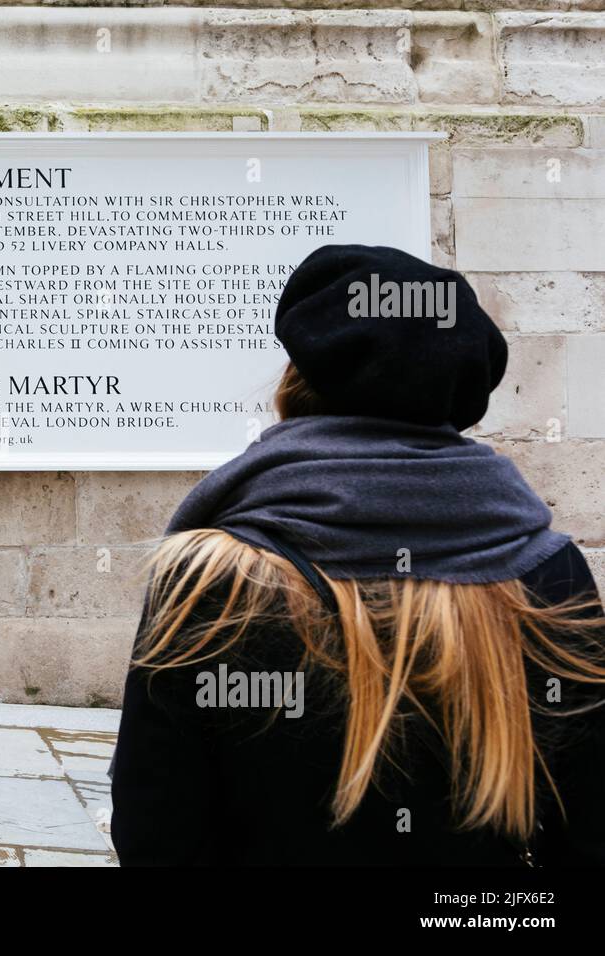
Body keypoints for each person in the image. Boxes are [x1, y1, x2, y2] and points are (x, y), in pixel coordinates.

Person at [110, 245, 605, 866]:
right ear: (459, 394)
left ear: (298, 379)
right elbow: (585, 823)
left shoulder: (214, 572)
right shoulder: (544, 571)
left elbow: (155, 823)